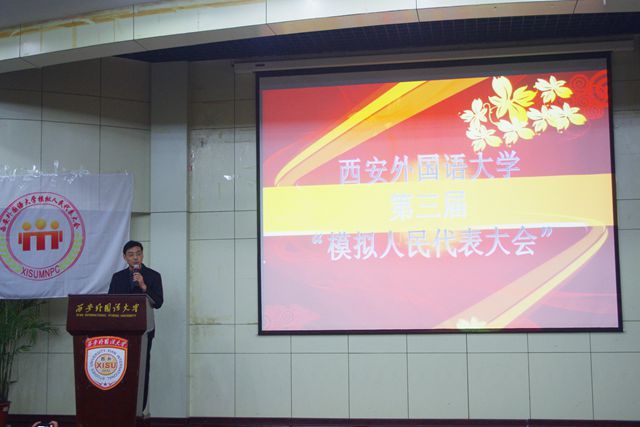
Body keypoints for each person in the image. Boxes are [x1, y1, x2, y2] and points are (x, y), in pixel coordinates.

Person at [108, 240, 163, 412]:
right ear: (125, 257)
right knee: (120, 368)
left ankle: (139, 409)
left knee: (142, 368)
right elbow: (110, 303)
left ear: (143, 255)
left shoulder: (153, 276)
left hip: (144, 331)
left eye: (138, 253)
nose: (135, 257)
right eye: (131, 255)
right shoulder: (117, 277)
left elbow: (159, 302)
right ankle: (120, 408)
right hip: (121, 330)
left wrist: (144, 286)